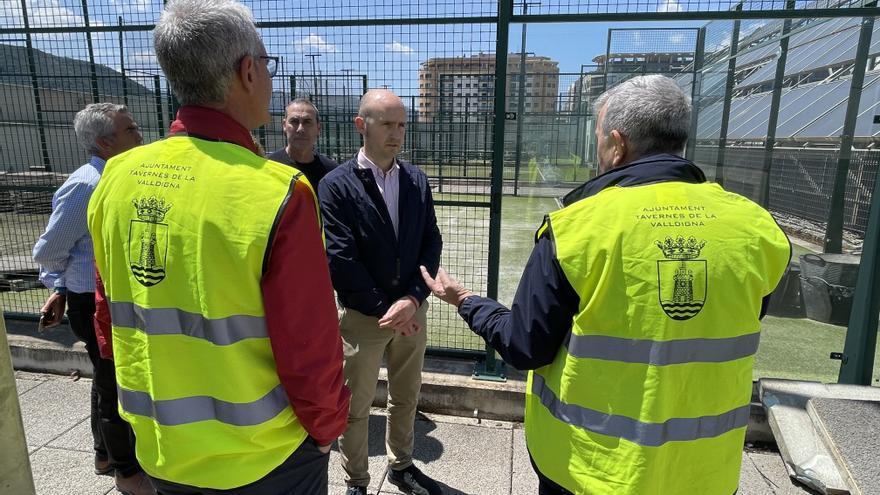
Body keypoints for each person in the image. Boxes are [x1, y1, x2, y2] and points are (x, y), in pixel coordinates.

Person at [421, 74, 791, 495]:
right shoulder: (756, 227)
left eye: (597, 138)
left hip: (591, 469)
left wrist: (467, 300)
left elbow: (526, 346)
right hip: (703, 471)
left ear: (617, 144)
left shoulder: (577, 229)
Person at [86, 0, 350, 493]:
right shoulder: (278, 192)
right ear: (247, 71)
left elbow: (108, 322)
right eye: (268, 65)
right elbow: (310, 345)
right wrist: (327, 429)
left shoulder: (116, 178)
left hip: (163, 449)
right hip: (263, 459)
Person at [317, 89, 443, 495]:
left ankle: (402, 465)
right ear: (361, 125)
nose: (397, 133)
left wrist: (412, 300)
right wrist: (385, 308)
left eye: (402, 124)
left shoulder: (415, 179)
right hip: (363, 317)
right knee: (355, 407)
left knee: (406, 395)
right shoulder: (336, 185)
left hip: (411, 312)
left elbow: (431, 242)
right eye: (387, 123)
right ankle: (356, 481)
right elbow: (341, 258)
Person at [32, 103, 152, 495]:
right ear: (105, 142)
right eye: (131, 129)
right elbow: (49, 249)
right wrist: (62, 285)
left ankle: (103, 453)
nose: (139, 135)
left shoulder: (120, 175)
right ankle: (125, 470)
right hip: (92, 299)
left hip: (108, 294)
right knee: (114, 383)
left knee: (105, 379)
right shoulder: (87, 184)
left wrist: (58, 289)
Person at [268, 99, 337, 190]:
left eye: (307, 122)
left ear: (318, 128)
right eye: (294, 122)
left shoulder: (331, 173)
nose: (300, 129)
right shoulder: (268, 167)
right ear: (284, 125)